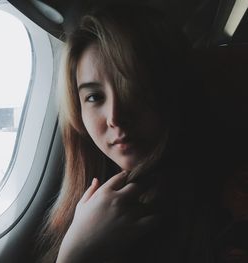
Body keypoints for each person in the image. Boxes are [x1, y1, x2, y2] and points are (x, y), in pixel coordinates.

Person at [36, 3, 231, 263]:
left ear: (174, 92)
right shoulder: (83, 205)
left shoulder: (229, 209)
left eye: (135, 88)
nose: (115, 118)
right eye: (94, 97)